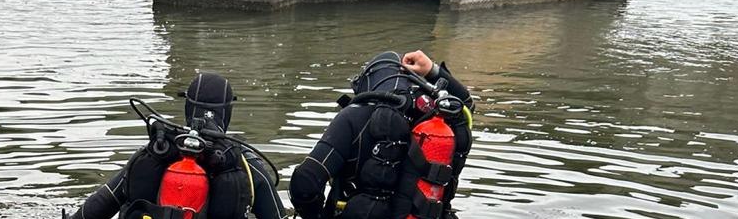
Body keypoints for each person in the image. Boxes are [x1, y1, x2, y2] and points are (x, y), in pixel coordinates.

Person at [71, 72, 285, 219]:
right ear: (227, 112)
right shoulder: (244, 165)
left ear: (188, 106)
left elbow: (94, 210)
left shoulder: (157, 151)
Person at [289, 50, 475, 219]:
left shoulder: (354, 116)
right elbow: (466, 105)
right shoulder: (438, 117)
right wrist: (432, 71)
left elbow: (305, 182)